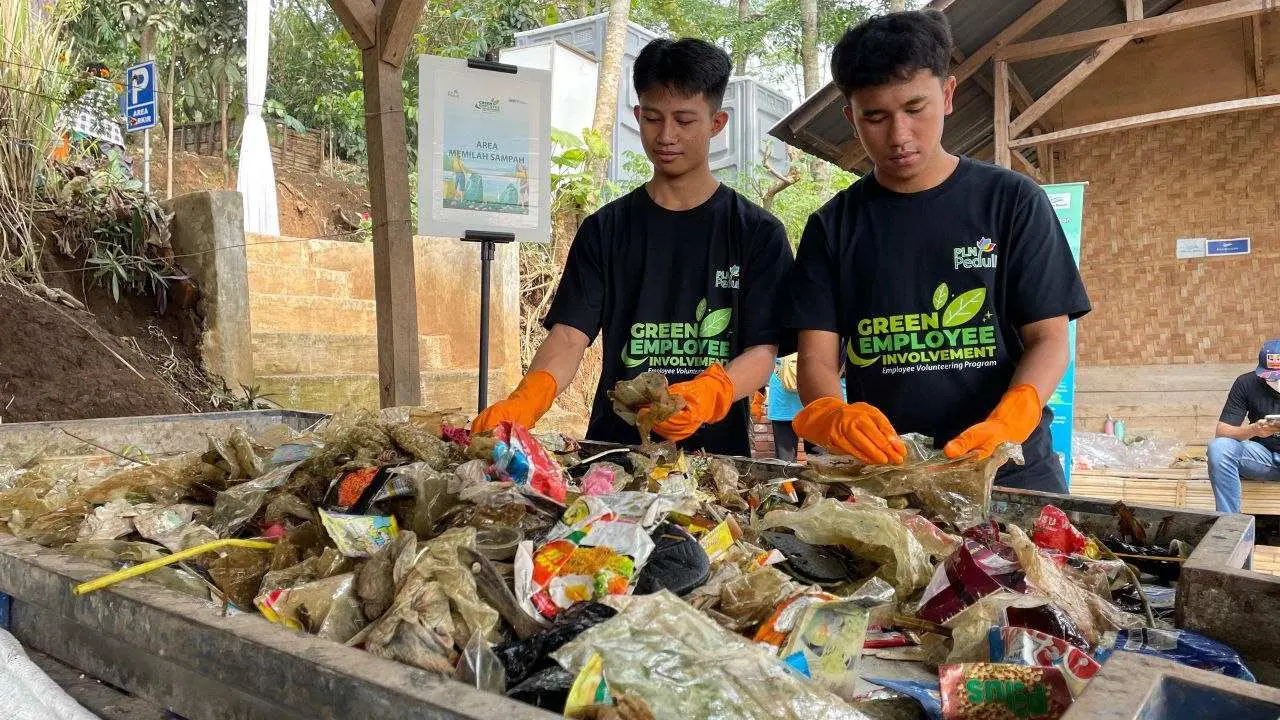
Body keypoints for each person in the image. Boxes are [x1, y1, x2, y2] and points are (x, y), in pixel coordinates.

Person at [784, 10, 1089, 493]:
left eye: (915, 108)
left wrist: (1014, 416)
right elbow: (817, 360)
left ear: (947, 95)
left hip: (1008, 472)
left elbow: (1049, 339)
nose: (899, 135)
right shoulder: (832, 227)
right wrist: (831, 414)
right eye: (876, 117)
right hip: (887, 475)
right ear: (851, 118)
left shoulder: (1012, 203)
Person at [472, 38, 793, 456]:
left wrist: (711, 392)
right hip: (613, 455)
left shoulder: (756, 232)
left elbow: (763, 350)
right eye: (654, 119)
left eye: (685, 120)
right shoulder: (605, 229)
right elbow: (570, 335)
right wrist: (527, 399)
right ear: (638, 115)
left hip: (716, 458)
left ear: (717, 123)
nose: (667, 136)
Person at [1207, 339, 1280, 513]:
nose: (1275, 382)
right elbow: (1222, 431)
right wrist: (1254, 429)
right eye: (1270, 377)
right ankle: (1230, 523)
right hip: (1265, 459)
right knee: (1219, 448)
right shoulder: (1246, 383)